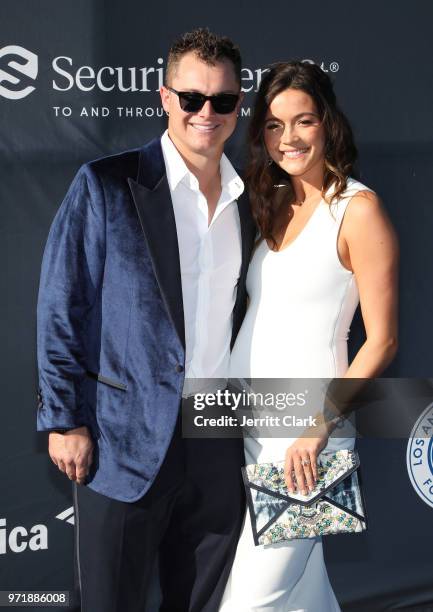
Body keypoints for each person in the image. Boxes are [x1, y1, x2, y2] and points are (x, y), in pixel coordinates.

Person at [36, 28, 256, 612]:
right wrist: (65, 419)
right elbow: (63, 305)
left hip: (217, 438)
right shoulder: (108, 184)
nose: (206, 113)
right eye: (191, 99)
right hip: (121, 439)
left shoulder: (254, 201)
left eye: (223, 101)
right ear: (164, 98)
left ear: (240, 105)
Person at [220, 61, 399, 611]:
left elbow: (383, 341)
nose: (288, 138)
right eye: (274, 126)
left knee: (248, 603)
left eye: (303, 121)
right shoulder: (275, 201)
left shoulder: (358, 210)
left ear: (328, 123)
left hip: (307, 442)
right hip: (252, 426)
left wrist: (318, 429)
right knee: (304, 596)